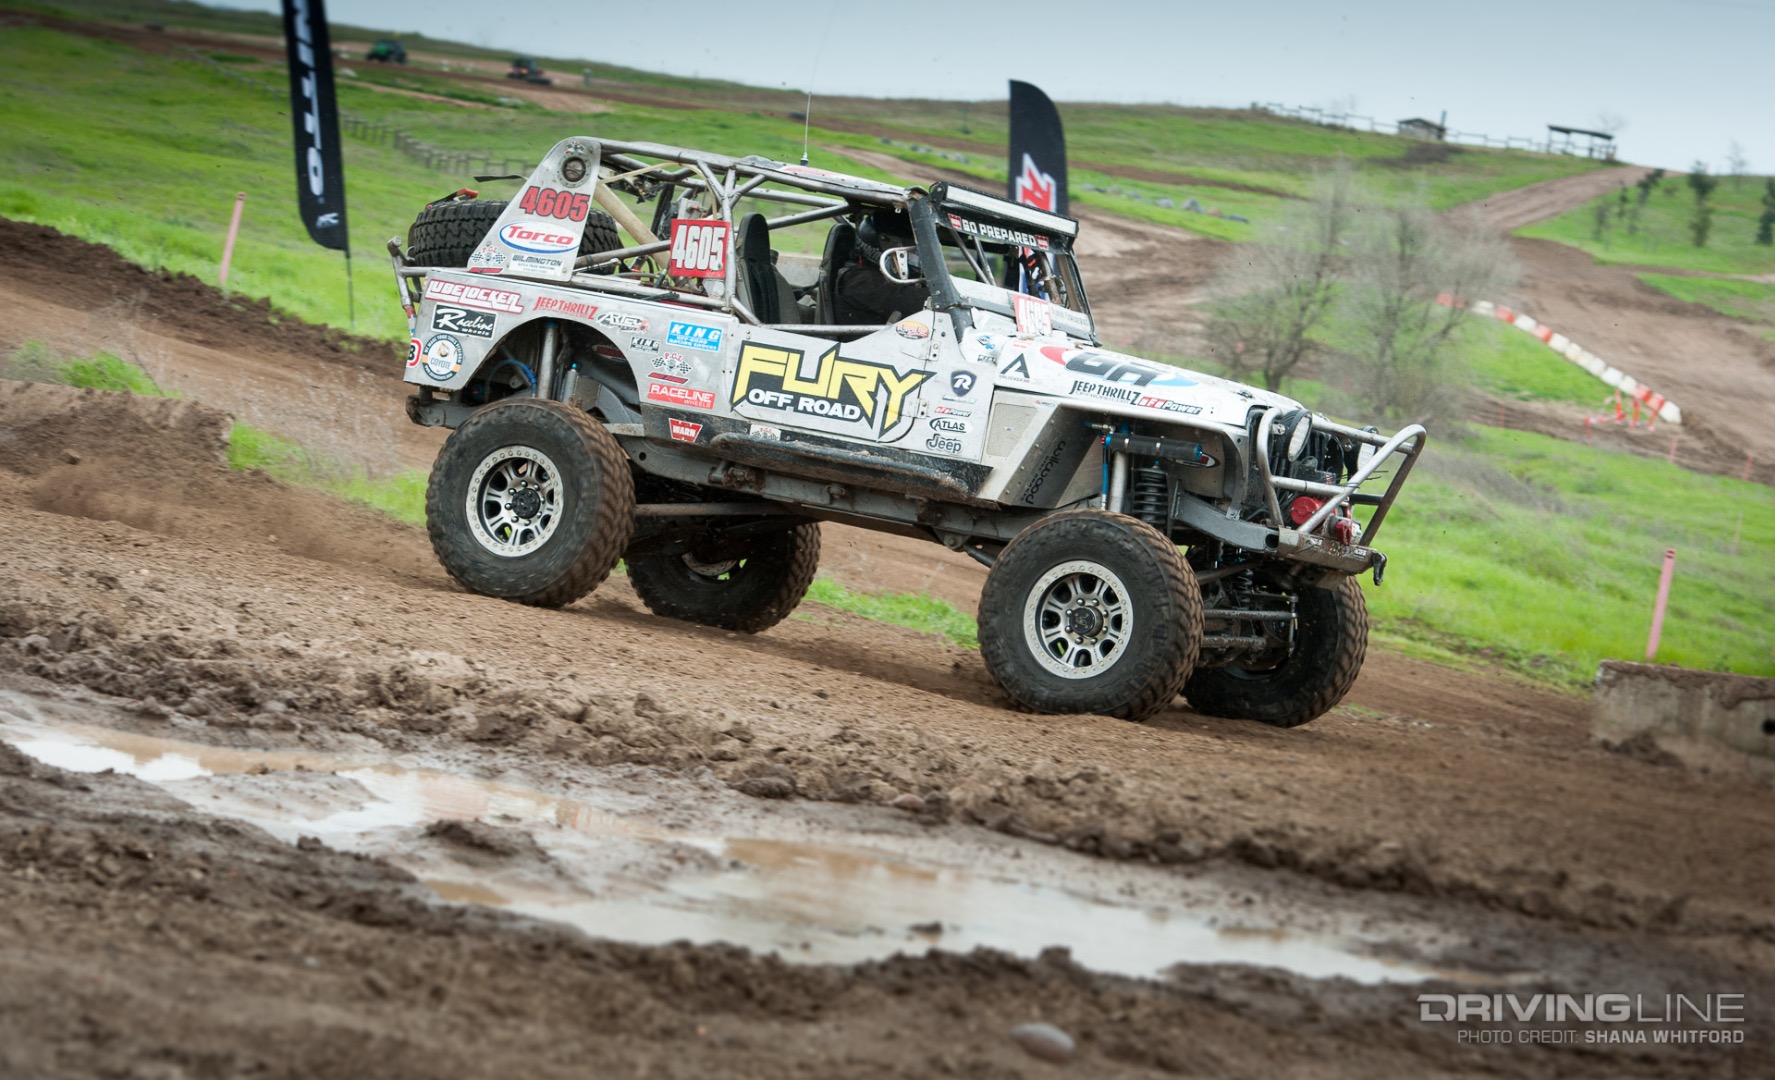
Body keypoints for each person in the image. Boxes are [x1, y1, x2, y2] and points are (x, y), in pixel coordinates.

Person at [834, 209, 929, 325]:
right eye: (905, 242)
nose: (914, 252)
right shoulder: (860, 280)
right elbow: (914, 302)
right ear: (883, 241)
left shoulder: (891, 277)